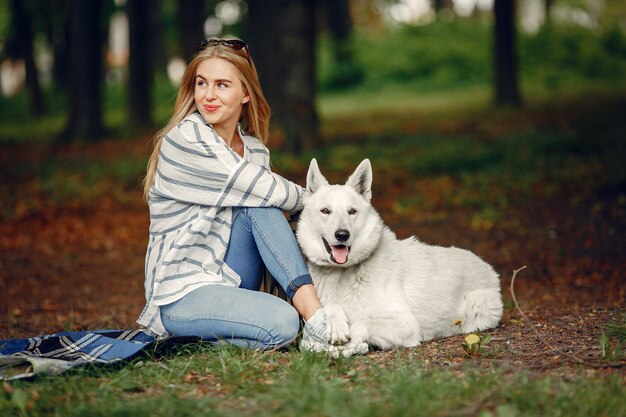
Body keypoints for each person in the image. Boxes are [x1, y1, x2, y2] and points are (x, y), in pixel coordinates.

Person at [137, 38, 345, 354]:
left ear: (245, 94)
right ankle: (313, 322)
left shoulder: (255, 152)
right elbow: (268, 188)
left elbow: (269, 201)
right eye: (201, 83)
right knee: (283, 323)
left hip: (230, 275)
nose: (208, 95)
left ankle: (314, 317)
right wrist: (322, 202)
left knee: (263, 208)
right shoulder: (185, 139)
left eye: (222, 85)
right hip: (182, 293)